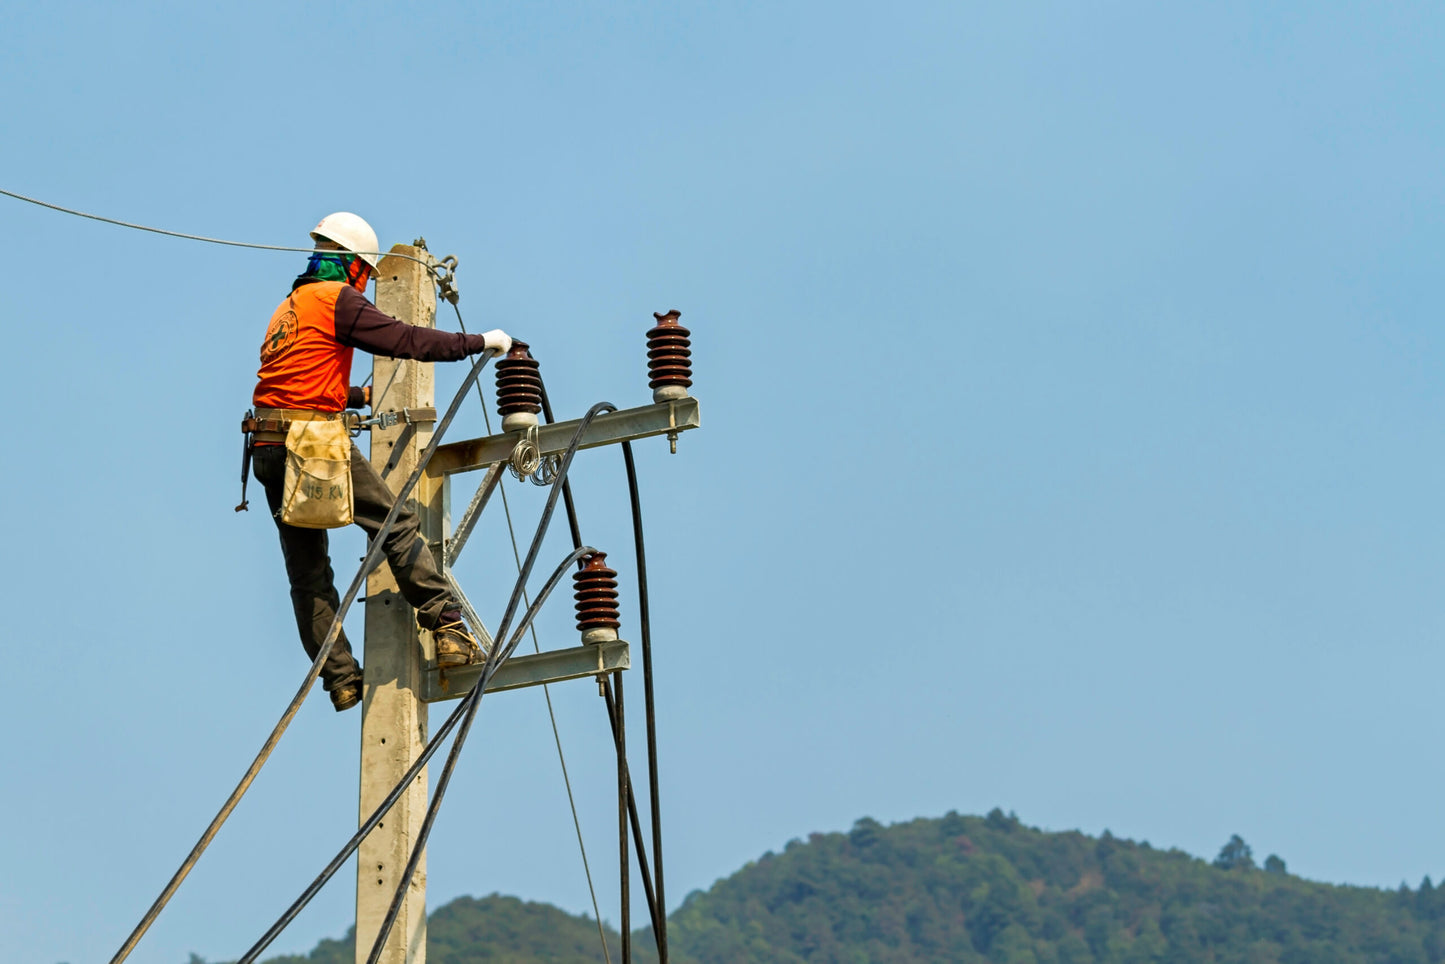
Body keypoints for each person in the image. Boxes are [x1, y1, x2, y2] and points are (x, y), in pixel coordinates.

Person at [245, 212, 511, 711]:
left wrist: (356, 396)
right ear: (353, 267)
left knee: (308, 574)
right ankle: (448, 627)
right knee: (395, 524)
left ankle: (341, 678)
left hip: (267, 446)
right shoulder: (337, 300)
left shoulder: (289, 307)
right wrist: (478, 343)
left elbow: (295, 383)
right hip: (311, 445)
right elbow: (406, 340)